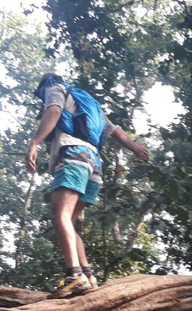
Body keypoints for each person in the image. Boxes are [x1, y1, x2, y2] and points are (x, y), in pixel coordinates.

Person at [26, 73, 149, 298]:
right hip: (94, 163)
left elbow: (53, 110)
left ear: (44, 84)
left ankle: (74, 275)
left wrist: (34, 142)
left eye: (39, 93)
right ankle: (87, 275)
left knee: (58, 215)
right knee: (69, 220)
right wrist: (135, 148)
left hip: (73, 154)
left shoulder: (55, 88)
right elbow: (116, 132)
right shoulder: (89, 103)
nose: (41, 97)